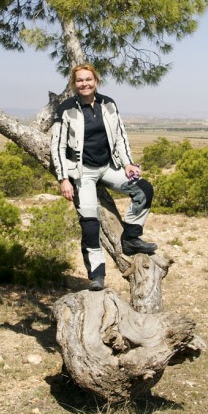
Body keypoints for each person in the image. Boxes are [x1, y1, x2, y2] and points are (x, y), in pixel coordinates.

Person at [50, 63, 157, 291]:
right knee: (90, 224)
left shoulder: (108, 104)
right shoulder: (66, 109)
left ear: (95, 81)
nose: (84, 83)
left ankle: (131, 237)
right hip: (82, 172)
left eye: (88, 79)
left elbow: (120, 136)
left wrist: (127, 163)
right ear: (74, 83)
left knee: (144, 190)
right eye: (80, 80)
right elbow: (57, 147)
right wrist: (63, 179)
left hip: (109, 167)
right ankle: (97, 275)